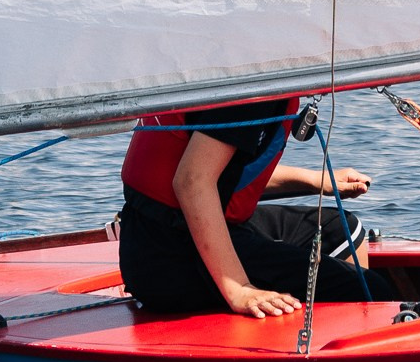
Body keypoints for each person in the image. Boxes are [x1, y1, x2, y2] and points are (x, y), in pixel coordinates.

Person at [117, 95, 390, 319]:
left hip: (168, 229)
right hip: (167, 257)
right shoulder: (252, 90)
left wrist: (315, 181)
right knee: (369, 289)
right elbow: (192, 182)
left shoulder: (261, 79)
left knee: (343, 231)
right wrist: (241, 289)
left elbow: (223, 174)